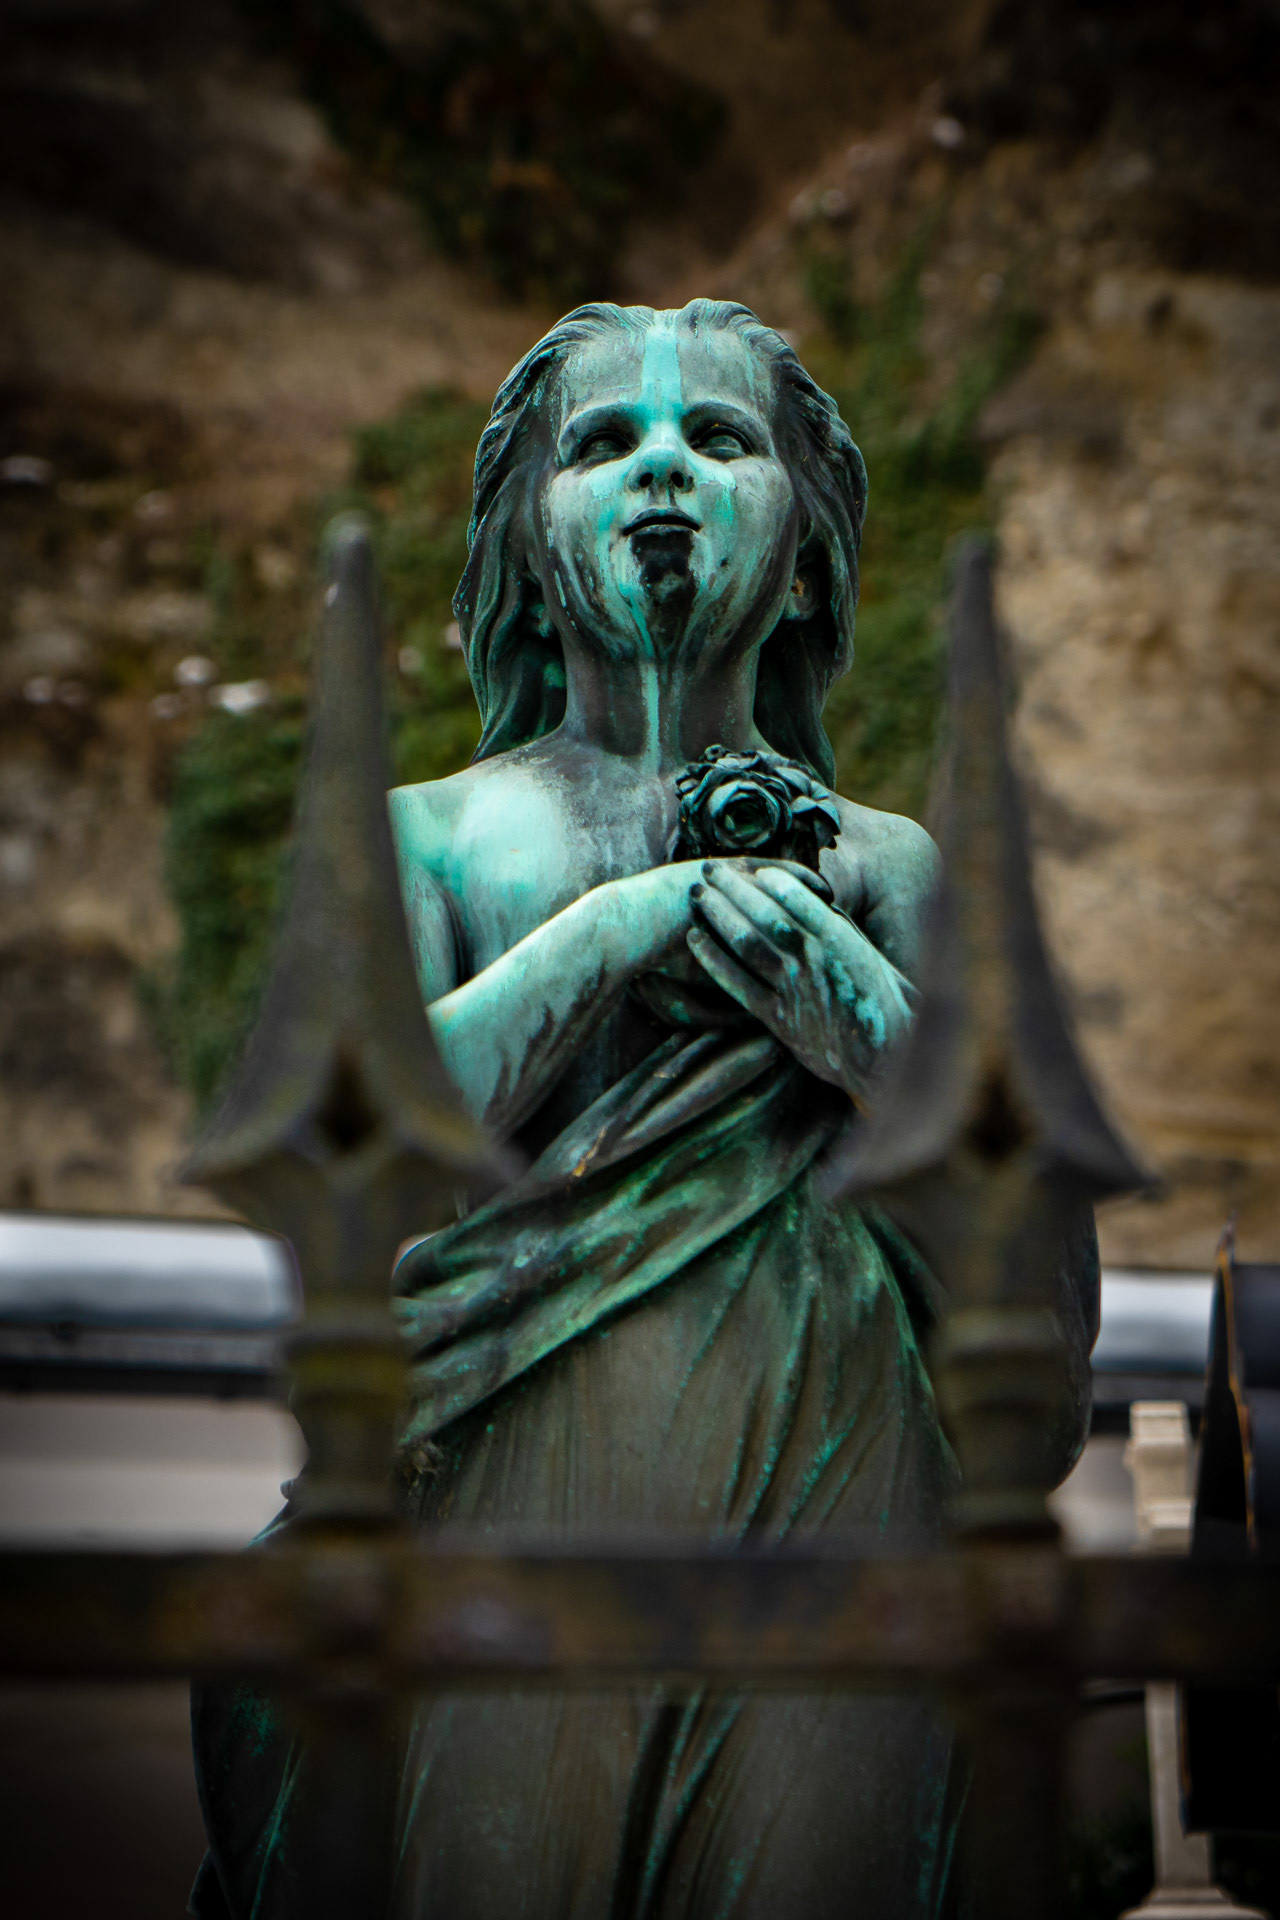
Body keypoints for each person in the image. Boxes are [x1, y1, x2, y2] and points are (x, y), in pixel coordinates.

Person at [192, 300, 1097, 1919]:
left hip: (841, 1490)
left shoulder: (889, 870)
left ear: (809, 556)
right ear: (528, 547)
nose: (662, 468)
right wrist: (620, 932)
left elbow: (1039, 1258)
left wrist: (861, 1024)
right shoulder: (434, 842)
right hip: (508, 1498)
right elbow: (353, 1164)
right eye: (605, 443)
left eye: (718, 438)